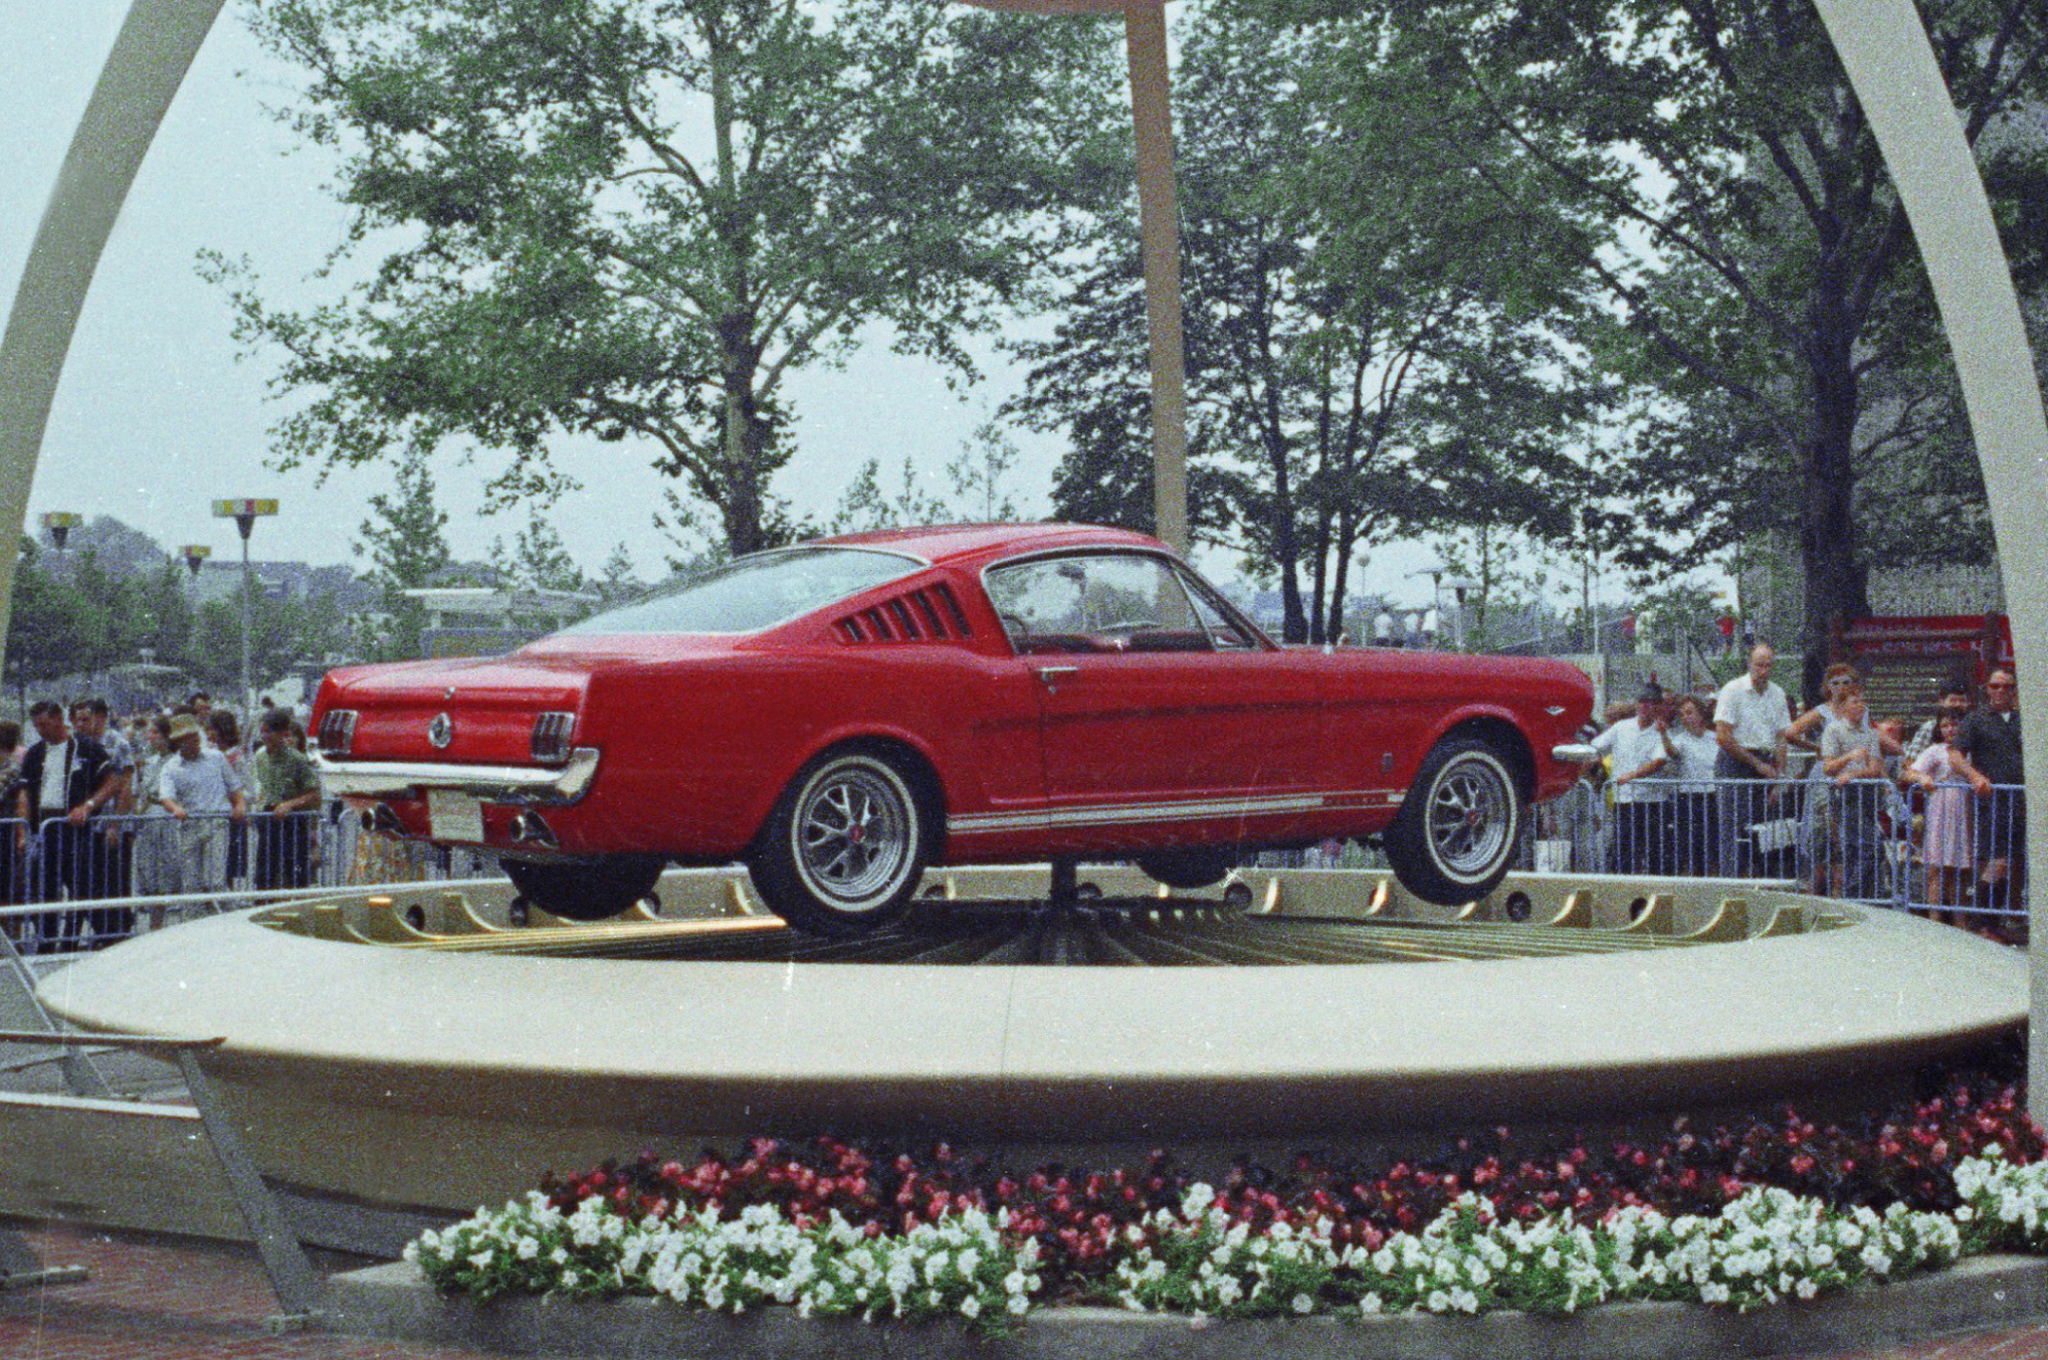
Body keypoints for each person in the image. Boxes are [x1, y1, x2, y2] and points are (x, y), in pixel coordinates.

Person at [14, 701, 119, 949]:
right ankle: (47, 941)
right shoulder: (35, 753)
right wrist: (22, 830)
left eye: (45, 724)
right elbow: (24, 793)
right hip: (46, 828)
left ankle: (95, 937)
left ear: (60, 720)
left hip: (76, 828)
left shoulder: (87, 747)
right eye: (37, 726)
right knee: (45, 887)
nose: (41, 730)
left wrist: (88, 805)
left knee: (82, 885)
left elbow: (112, 782)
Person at [1714, 644, 1793, 877]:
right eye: (1759, 664)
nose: (1764, 670)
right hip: (1736, 760)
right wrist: (1756, 764)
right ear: (1749, 664)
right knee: (1733, 828)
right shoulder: (1732, 689)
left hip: (1765, 761)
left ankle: (1762, 879)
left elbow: (1781, 737)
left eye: (1769, 665)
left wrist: (1779, 777)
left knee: (1764, 828)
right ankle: (1732, 880)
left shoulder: (1777, 693)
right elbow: (1723, 736)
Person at [1956, 668, 2025, 913]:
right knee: (1997, 860)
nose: (2000, 691)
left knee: (2019, 861)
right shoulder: (1976, 719)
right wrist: (1975, 776)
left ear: (2014, 690)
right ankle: (1984, 919)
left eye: (2006, 686)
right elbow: (1955, 754)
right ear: (1987, 689)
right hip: (1993, 801)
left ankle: (2011, 918)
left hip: (2023, 801)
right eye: (1995, 686)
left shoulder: (2024, 718)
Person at [1902, 710, 1982, 922]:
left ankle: (1960, 920)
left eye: (1954, 725)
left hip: (1963, 810)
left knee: (1959, 871)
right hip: (1940, 810)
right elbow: (1909, 773)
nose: (1950, 730)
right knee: (1935, 867)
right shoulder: (1935, 751)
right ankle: (1934, 920)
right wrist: (1922, 777)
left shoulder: (1970, 751)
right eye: (1945, 726)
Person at [158, 712, 247, 899]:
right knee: (191, 883)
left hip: (216, 823)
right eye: (190, 738)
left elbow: (234, 785)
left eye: (196, 737)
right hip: (190, 825)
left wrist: (239, 804)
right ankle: (195, 918)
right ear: (180, 741)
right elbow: (166, 796)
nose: (195, 742)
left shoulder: (216, 757)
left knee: (215, 880)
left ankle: (220, 920)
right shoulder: (171, 767)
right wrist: (175, 808)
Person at [1592, 683, 1670, 875]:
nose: (1645, 707)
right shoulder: (1621, 727)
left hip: (1653, 801)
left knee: (1654, 851)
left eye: (1650, 703)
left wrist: (1632, 776)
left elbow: (1659, 760)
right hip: (1624, 799)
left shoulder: (1662, 732)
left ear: (1658, 706)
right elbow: (1596, 747)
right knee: (1623, 849)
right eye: (1641, 702)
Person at [1819, 687, 1887, 900]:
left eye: (1861, 701)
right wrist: (1849, 757)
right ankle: (1852, 894)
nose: (1859, 706)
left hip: (1866, 795)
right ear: (1843, 707)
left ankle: (1862, 896)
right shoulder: (1834, 731)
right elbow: (1828, 767)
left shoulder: (1870, 734)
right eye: (1854, 702)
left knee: (1863, 848)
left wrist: (1854, 773)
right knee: (1866, 846)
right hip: (1845, 797)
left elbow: (1874, 768)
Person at [250, 708, 322, 890]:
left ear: (283, 733)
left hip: (293, 823)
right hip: (269, 819)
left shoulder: (297, 759)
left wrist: (289, 805)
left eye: (270, 731)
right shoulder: (259, 757)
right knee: (265, 874)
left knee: (295, 875)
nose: (265, 736)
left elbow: (313, 792)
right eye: (263, 731)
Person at [1660, 694, 1721, 876]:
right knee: (1690, 843)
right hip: (1689, 797)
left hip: (1712, 795)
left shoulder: (1715, 738)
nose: (1687, 717)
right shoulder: (1680, 739)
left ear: (1701, 714)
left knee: (1712, 842)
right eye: (1683, 714)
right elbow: (1672, 752)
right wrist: (1663, 734)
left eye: (1690, 712)